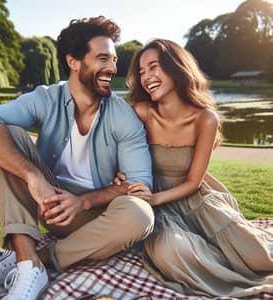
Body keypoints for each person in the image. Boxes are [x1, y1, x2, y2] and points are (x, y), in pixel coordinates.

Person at [0, 16, 154, 300]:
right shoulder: (46, 98)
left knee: (140, 215)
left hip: (95, 218)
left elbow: (141, 187)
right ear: (73, 61)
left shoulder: (123, 117)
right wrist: (33, 177)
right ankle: (27, 260)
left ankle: (32, 258)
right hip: (49, 203)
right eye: (103, 58)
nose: (112, 68)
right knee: (7, 133)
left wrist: (84, 200)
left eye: (115, 60)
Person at [115, 39, 273, 297]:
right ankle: (225, 277)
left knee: (257, 255)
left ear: (175, 68)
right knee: (171, 252)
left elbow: (193, 182)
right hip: (159, 209)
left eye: (153, 67)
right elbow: (118, 149)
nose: (146, 77)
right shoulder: (141, 112)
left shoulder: (205, 118)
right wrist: (121, 173)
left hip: (194, 199)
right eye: (141, 72)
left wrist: (155, 198)